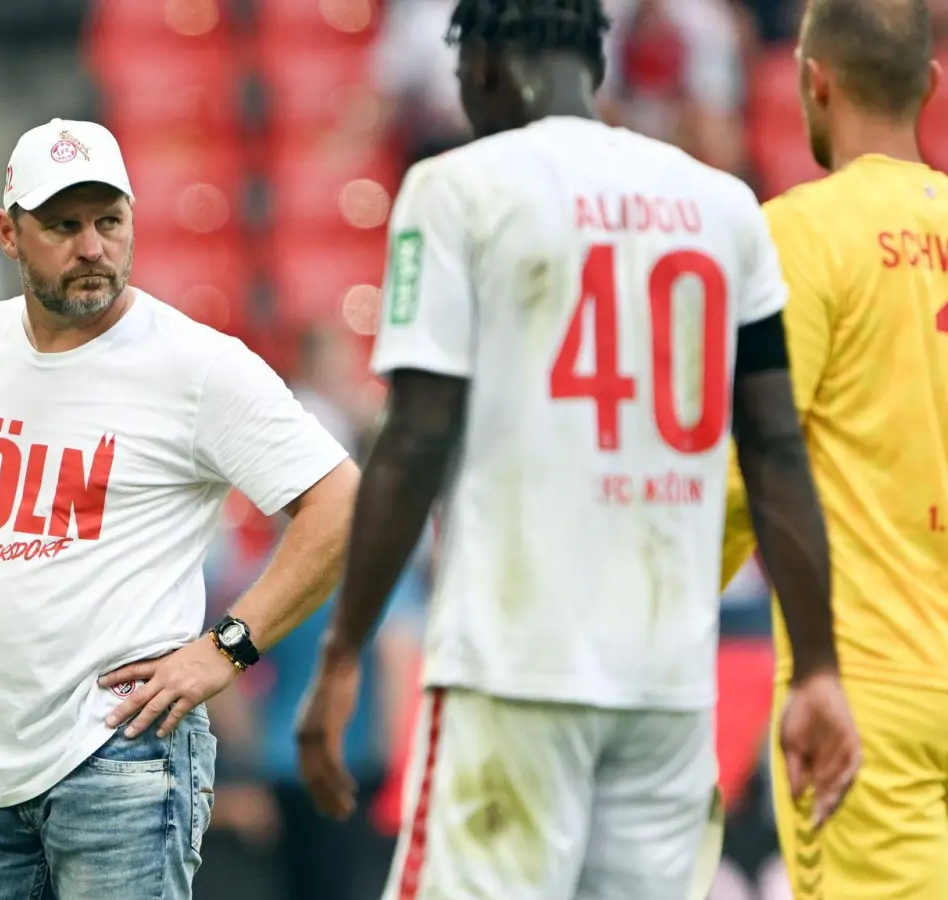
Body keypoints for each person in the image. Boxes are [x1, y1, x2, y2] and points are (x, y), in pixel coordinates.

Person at [291, 0, 865, 896]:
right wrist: (819, 667)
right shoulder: (724, 202)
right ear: (592, 61)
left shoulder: (459, 186)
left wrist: (342, 654)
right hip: (671, 686)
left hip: (514, 667)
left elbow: (414, 439)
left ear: (482, 62)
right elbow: (776, 450)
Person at [0, 117, 359, 900]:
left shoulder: (194, 364)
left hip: (124, 756)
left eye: (109, 221)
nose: (92, 247)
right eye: (63, 226)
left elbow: (339, 503)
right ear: (9, 233)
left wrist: (227, 647)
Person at [715, 0, 948, 895]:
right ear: (929, 84)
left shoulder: (799, 235)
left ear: (813, 80)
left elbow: (753, 462)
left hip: (866, 699)